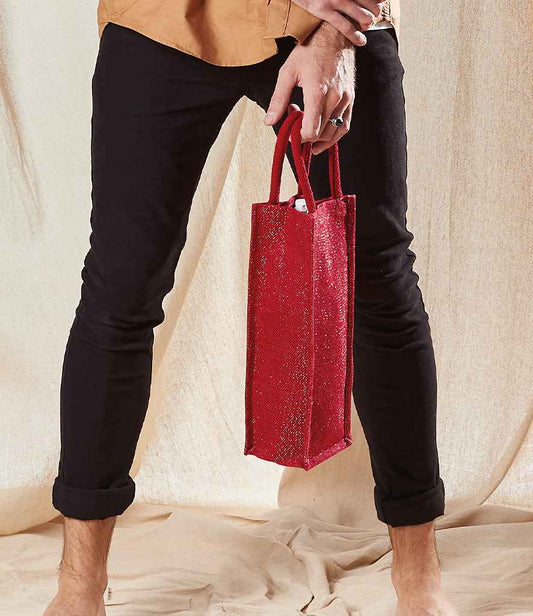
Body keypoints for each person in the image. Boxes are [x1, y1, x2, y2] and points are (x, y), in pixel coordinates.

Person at [45, 1, 458, 614]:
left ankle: (419, 578)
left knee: (377, 276)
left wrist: (335, 38)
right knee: (120, 289)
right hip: (164, 20)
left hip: (327, 24)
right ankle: (78, 586)